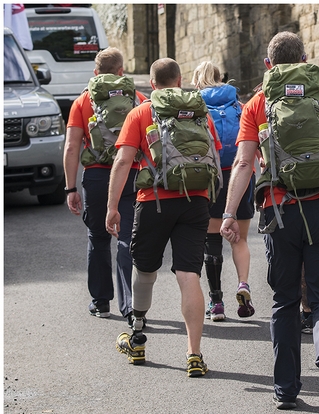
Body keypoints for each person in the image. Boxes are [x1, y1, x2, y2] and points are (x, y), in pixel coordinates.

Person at [220, 32, 319, 414]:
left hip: (279, 212)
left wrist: (228, 213)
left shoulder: (258, 102)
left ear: (268, 66)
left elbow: (243, 163)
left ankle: (286, 389)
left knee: (285, 299)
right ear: (306, 58)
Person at [105, 58, 222, 376]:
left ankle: (138, 336)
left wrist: (112, 207)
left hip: (153, 200)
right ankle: (194, 354)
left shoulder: (141, 111)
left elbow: (123, 161)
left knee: (144, 269)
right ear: (180, 79)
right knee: (189, 275)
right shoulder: (199, 112)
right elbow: (215, 153)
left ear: (152, 85)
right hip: (196, 200)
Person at [64, 47, 147, 326]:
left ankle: (101, 302)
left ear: (95, 73)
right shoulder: (139, 100)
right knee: (126, 240)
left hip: (98, 177)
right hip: (131, 176)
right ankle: (130, 307)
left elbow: (72, 146)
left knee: (98, 237)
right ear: (122, 72)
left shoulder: (83, 101)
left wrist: (70, 188)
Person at [191, 61, 255, 321]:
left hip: (212, 177)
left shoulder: (195, 107)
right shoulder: (239, 106)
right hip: (242, 175)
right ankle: (243, 285)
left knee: (213, 240)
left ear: (197, 81)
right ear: (221, 78)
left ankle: (216, 303)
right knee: (239, 238)